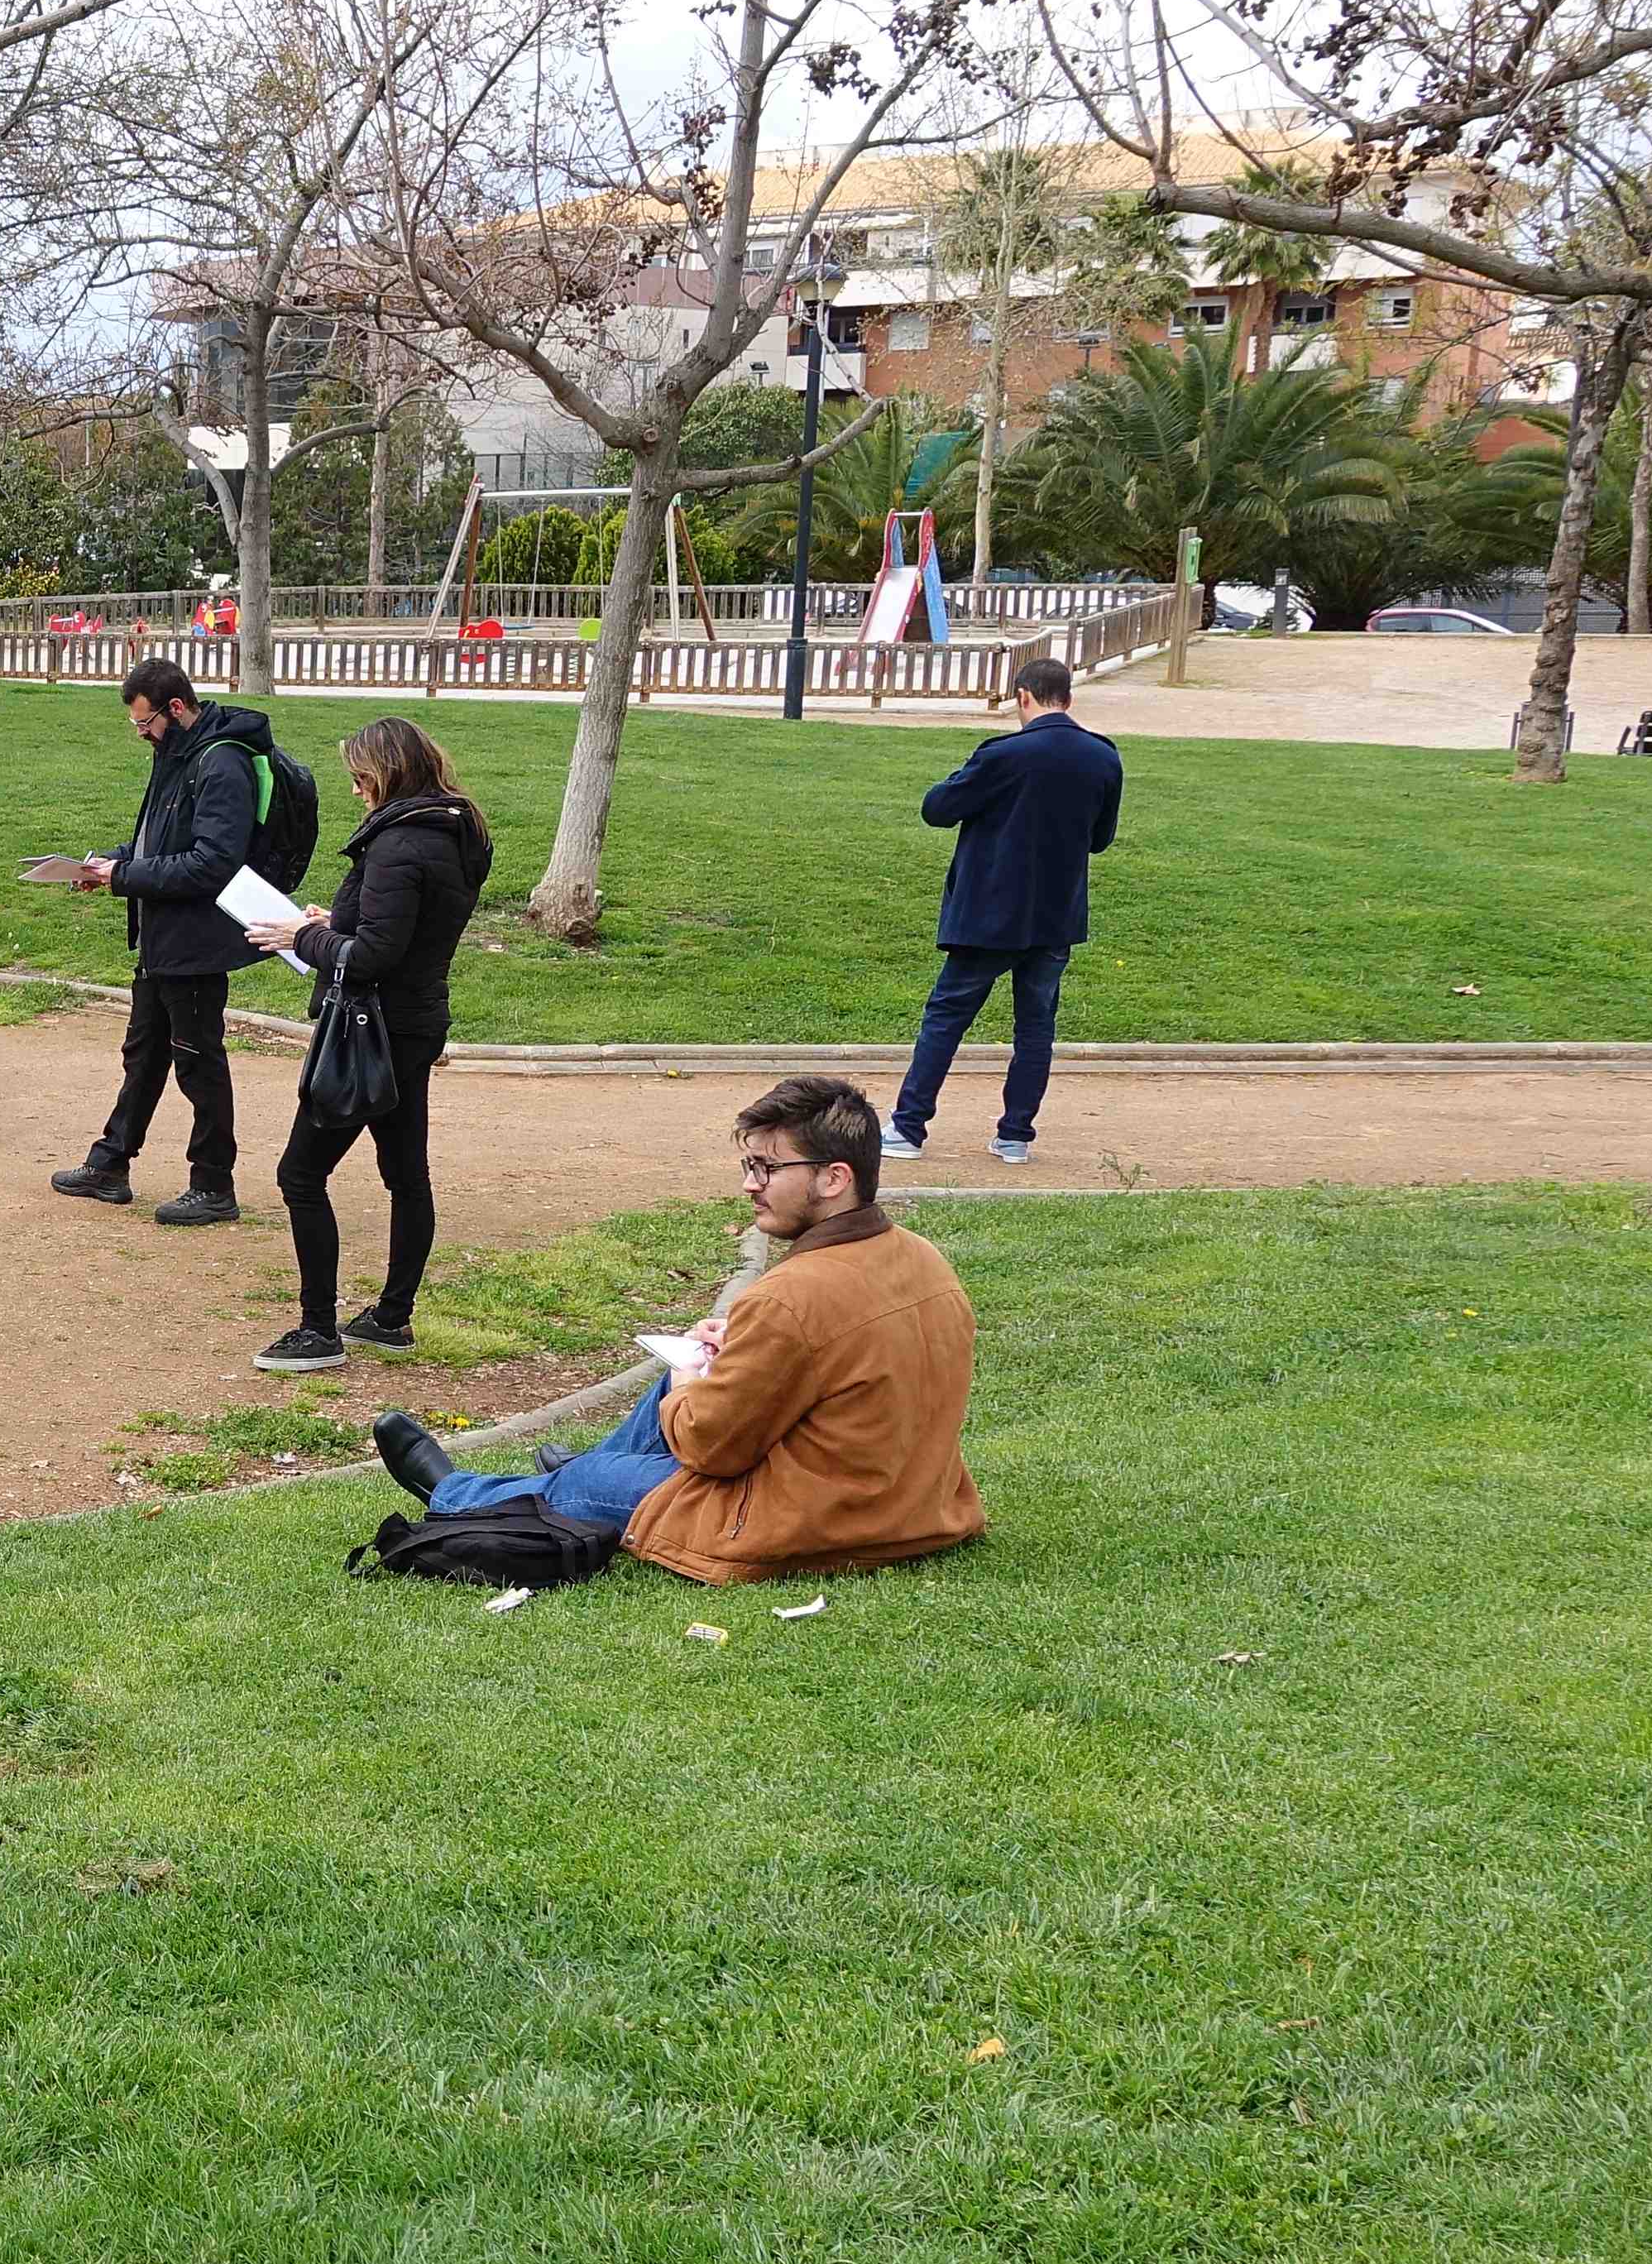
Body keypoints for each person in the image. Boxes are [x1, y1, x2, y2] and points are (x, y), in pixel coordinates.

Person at [371, 1073, 985, 1585]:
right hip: (912, 1503)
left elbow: (711, 1449)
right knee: (662, 1398)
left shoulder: (792, 1296)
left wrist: (693, 1375)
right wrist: (736, 1351)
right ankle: (586, 1472)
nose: (751, 1184)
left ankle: (457, 1493)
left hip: (812, 1523)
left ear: (833, 1178)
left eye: (768, 1168)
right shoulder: (921, 1257)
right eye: (749, 1164)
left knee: (600, 1468)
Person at [241, 717, 491, 1370]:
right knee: (407, 1175)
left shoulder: (399, 844)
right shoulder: (455, 831)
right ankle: (391, 1317)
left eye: (360, 779)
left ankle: (317, 1330)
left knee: (300, 1173)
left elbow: (376, 954)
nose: (356, 792)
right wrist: (334, 921)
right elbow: (403, 928)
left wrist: (301, 938)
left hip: (369, 1029)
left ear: (389, 773)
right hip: (414, 1022)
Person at [48, 660, 285, 1227]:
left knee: (199, 1063)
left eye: (145, 722)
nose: (141, 734)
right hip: (163, 939)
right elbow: (159, 840)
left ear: (176, 708)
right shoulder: (176, 754)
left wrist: (124, 878)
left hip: (198, 941)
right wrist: (109, 864)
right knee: (145, 1053)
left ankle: (213, 1184)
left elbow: (213, 865)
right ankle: (111, 1163)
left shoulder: (221, 762)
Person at [889, 655, 1124, 1166]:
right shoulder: (1103, 757)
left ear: (1023, 696)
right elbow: (1101, 839)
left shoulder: (1003, 755)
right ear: (1069, 697)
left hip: (988, 913)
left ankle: (908, 1128)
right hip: (1055, 915)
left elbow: (937, 809)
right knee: (1036, 1027)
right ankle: (1015, 1135)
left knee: (947, 1018)